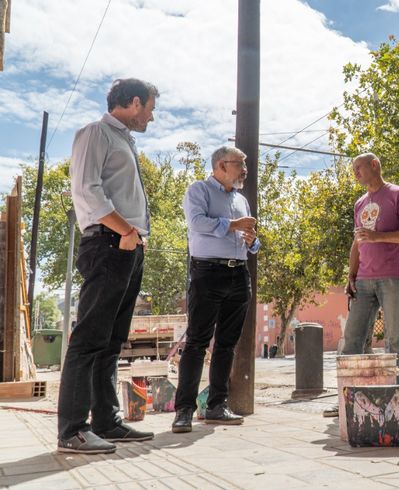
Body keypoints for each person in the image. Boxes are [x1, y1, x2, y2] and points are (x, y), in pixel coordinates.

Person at [58, 78, 158, 454]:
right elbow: (87, 188)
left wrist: (134, 237)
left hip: (128, 247)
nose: (151, 117)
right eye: (150, 109)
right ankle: (72, 430)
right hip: (108, 243)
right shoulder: (95, 133)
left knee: (111, 342)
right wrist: (125, 230)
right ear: (134, 102)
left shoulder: (125, 141)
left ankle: (106, 422)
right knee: (89, 339)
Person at [172, 146, 259, 433]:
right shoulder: (199, 190)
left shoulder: (241, 200)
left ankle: (217, 406)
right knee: (197, 342)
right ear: (222, 165)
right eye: (240, 164)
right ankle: (184, 410)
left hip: (239, 274)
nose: (244, 169)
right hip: (207, 272)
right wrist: (233, 225)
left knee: (226, 344)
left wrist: (252, 241)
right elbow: (197, 223)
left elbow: (249, 238)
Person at [323, 153, 399, 418]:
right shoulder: (360, 203)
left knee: (395, 339)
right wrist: (351, 275)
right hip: (363, 280)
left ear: (374, 165)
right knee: (352, 340)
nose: (355, 173)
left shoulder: (398, 194)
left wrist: (377, 236)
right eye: (353, 169)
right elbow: (357, 242)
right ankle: (346, 400)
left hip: (394, 277)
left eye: (358, 167)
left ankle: (396, 401)